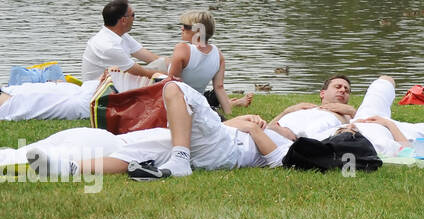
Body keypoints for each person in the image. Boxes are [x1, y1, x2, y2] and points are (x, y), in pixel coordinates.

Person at [15, 77, 283, 180]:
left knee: (175, 87)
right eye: (328, 88)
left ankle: (180, 161)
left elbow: (280, 161)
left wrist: (256, 130)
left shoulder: (299, 134)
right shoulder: (280, 119)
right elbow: (225, 126)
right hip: (220, 141)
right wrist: (247, 123)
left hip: (226, 151)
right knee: (139, 152)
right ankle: (70, 169)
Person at [164, 10, 252, 116]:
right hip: (199, 105)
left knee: (155, 70)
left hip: (179, 105)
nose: (181, 28)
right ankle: (231, 104)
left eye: (186, 26)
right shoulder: (218, 54)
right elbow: (219, 87)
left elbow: (172, 84)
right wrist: (229, 114)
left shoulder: (182, 49)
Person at [81, 0, 165, 87]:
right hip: (100, 94)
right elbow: (143, 73)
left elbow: (153, 58)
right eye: (133, 15)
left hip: (116, 85)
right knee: (164, 79)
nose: (134, 19)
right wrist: (171, 75)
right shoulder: (109, 47)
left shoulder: (121, 35)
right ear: (124, 20)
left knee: (164, 64)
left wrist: (172, 65)